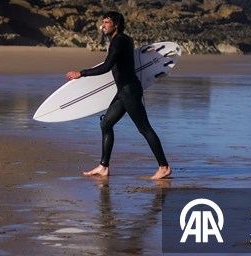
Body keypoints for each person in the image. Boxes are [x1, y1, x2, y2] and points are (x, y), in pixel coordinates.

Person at [65, 11, 172, 180]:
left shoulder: (119, 41)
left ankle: (163, 166)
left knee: (144, 128)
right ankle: (103, 166)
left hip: (129, 91)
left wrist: (82, 73)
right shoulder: (124, 40)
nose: (103, 25)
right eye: (103, 22)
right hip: (124, 91)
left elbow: (107, 66)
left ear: (116, 24)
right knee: (106, 124)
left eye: (107, 22)